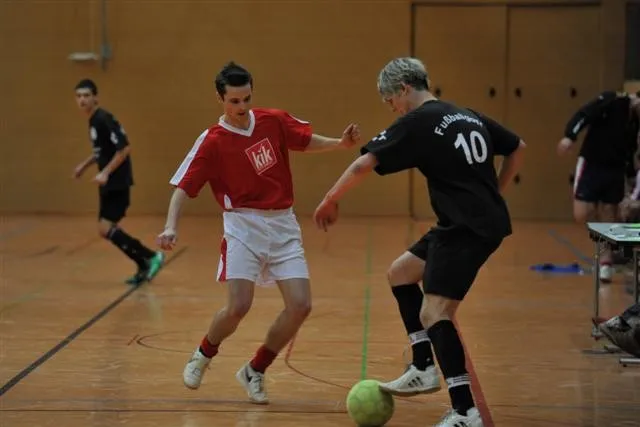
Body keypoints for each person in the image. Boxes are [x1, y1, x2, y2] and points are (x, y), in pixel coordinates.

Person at [313, 57, 525, 427]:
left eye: (390, 100)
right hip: (465, 223)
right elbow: (517, 146)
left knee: (434, 313)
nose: (392, 108)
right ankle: (423, 366)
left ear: (404, 89)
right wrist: (493, 195)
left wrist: (330, 199)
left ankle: (465, 411)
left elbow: (364, 164)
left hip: (466, 228)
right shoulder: (465, 114)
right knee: (401, 273)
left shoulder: (419, 120)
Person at [156, 62, 360, 404]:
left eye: (246, 99)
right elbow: (182, 189)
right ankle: (203, 354)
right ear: (220, 98)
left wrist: (339, 144)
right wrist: (170, 226)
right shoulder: (212, 141)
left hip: (282, 224)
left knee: (301, 305)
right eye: (234, 101)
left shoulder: (272, 120)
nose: (242, 107)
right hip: (243, 225)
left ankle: (255, 369)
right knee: (238, 306)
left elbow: (304, 141)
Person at [72, 79, 165, 286]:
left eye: (86, 95)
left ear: (95, 97)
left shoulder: (103, 118)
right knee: (105, 229)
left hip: (117, 182)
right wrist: (84, 166)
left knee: (105, 228)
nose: (82, 100)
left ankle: (150, 256)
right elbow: (102, 151)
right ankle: (143, 263)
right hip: (109, 183)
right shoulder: (94, 120)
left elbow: (124, 148)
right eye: (78, 96)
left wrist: (105, 173)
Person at [557, 91, 640, 282]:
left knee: (609, 213)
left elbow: (631, 150)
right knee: (581, 213)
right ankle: (603, 239)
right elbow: (585, 114)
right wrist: (570, 136)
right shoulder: (612, 100)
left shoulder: (635, 122)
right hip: (592, 164)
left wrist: (630, 180)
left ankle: (606, 261)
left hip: (616, 170)